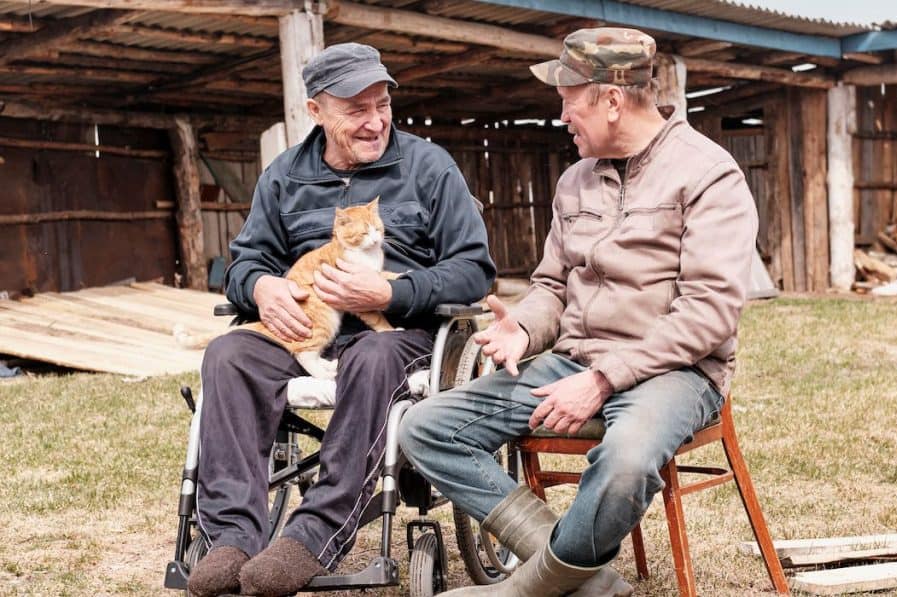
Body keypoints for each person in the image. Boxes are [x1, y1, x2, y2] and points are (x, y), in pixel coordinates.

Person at [399, 27, 757, 596]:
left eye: (569, 99)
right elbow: (552, 286)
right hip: (573, 364)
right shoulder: (575, 181)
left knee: (625, 463)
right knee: (425, 428)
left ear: (612, 100)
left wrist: (603, 379)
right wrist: (526, 327)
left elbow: (708, 314)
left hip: (676, 373)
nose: (561, 114)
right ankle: (585, 583)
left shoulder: (709, 174)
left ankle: (527, 589)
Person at [186, 43, 495, 597]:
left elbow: (475, 271)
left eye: (382, 104)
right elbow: (245, 262)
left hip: (398, 335)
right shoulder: (284, 177)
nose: (375, 121)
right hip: (307, 330)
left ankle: (312, 535)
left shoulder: (428, 168)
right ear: (317, 111)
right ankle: (231, 537)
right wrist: (260, 286)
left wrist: (393, 291)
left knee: (371, 356)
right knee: (228, 355)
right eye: (356, 110)